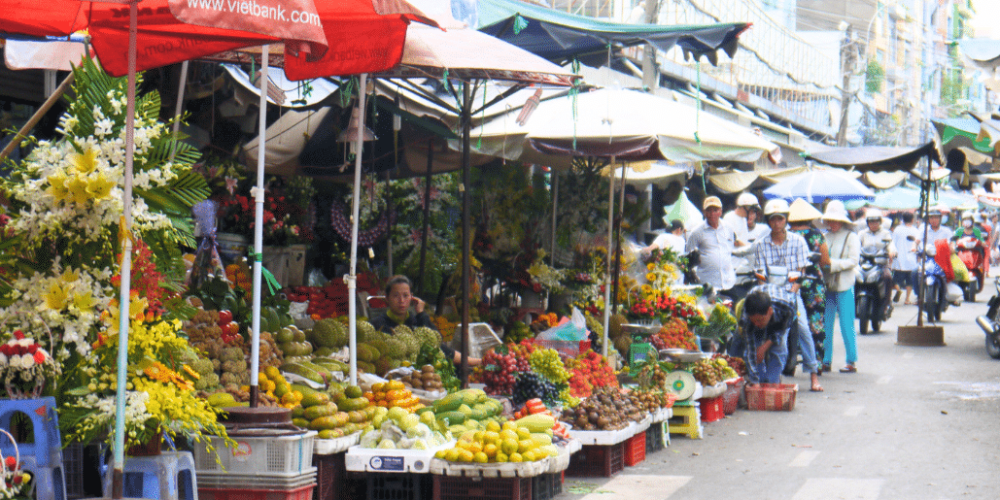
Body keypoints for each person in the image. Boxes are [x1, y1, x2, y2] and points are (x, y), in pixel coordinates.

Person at [751, 199, 822, 391]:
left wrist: (791, 294)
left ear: (786, 220)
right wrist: (768, 299)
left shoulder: (798, 242)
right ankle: (772, 376)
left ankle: (814, 375)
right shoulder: (760, 245)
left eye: (780, 219)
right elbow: (760, 276)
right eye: (773, 219)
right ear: (768, 221)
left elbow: (800, 273)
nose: (776, 223)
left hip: (791, 294)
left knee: (804, 329)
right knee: (771, 334)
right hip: (768, 295)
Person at [371, 275, 481, 367]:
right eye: (396, 296)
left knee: (438, 349)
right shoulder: (378, 324)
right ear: (387, 298)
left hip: (423, 374)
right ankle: (474, 361)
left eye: (405, 295)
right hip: (393, 375)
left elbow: (437, 341)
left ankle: (477, 362)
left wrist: (421, 313)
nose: (401, 301)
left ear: (412, 298)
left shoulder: (417, 320)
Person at [787, 198, 829, 370]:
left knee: (787, 322)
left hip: (791, 282)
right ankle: (816, 363)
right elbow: (825, 261)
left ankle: (786, 361)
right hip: (813, 284)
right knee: (815, 323)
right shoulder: (817, 235)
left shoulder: (787, 236)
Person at [821, 201, 861, 373]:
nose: (833, 223)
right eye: (830, 220)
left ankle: (851, 361)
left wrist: (831, 264)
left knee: (846, 324)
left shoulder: (852, 237)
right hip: (827, 284)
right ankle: (825, 360)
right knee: (825, 324)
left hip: (845, 284)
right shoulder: (825, 236)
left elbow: (853, 261)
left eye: (836, 220)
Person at [735, 285, 797, 385]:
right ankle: (759, 383)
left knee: (780, 350)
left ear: (769, 311)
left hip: (779, 320)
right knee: (756, 353)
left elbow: (782, 330)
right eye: (754, 321)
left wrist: (765, 346)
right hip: (753, 322)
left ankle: (772, 384)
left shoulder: (787, 307)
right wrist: (754, 381)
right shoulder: (746, 318)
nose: (757, 324)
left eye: (760, 320)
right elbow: (750, 351)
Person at [686, 196, 748, 294]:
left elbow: (733, 245)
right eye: (709, 211)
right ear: (704, 212)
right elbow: (688, 255)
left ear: (721, 211)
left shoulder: (728, 228)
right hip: (708, 284)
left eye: (715, 210)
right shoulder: (696, 232)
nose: (712, 214)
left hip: (729, 282)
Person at [891, 212, 920, 305]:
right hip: (912, 259)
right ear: (912, 220)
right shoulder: (916, 231)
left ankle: (898, 289)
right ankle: (907, 299)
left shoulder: (897, 229)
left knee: (894, 280)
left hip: (900, 259)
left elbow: (893, 243)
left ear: (903, 219)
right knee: (909, 281)